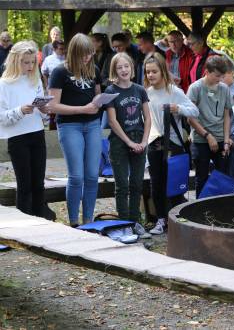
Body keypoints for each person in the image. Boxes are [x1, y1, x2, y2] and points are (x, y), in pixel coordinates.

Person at [48, 33, 102, 226]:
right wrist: (83, 109)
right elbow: (52, 106)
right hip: (70, 126)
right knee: (77, 176)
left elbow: (97, 96)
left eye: (90, 54)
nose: (87, 58)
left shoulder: (93, 69)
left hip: (93, 124)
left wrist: (100, 101)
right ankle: (73, 222)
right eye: (83, 54)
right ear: (74, 53)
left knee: (92, 175)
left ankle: (88, 221)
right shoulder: (59, 72)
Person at [144, 53, 198, 235]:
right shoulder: (146, 94)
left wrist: (178, 109)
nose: (150, 75)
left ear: (162, 71)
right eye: (148, 72)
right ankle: (160, 219)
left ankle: (178, 219)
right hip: (153, 143)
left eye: (154, 71)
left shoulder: (173, 91)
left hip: (172, 144)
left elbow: (194, 110)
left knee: (174, 183)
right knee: (156, 183)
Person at [0, 41, 48, 217]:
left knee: (38, 184)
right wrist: (20, 110)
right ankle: (24, 226)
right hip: (18, 138)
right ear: (15, 61)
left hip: (37, 134)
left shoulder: (35, 80)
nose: (29, 66)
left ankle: (41, 221)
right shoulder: (4, 84)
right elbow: (2, 117)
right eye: (25, 62)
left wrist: (44, 111)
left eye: (32, 62)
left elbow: (43, 114)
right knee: (25, 185)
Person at [104, 52, 151, 227]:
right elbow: (112, 120)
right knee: (122, 185)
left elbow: (147, 117)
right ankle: (123, 224)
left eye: (126, 66)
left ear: (131, 67)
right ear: (114, 70)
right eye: (119, 67)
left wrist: (144, 141)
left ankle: (135, 221)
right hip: (119, 141)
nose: (123, 70)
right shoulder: (111, 90)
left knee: (136, 184)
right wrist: (128, 142)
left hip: (139, 138)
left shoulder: (139, 89)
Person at [187, 56, 233, 197]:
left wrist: (226, 140)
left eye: (222, 76)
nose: (220, 79)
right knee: (201, 177)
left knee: (222, 176)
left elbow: (227, 116)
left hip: (220, 137)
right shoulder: (195, 88)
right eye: (217, 76)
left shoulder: (224, 89)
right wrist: (207, 136)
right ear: (206, 71)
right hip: (201, 139)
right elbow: (190, 118)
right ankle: (199, 210)